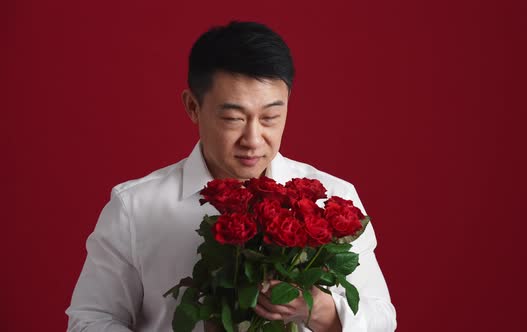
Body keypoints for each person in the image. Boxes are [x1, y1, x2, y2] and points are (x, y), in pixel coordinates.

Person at [66, 21, 397, 332]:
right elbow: (89, 319)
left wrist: (324, 312)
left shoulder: (334, 199)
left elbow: (384, 318)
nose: (253, 139)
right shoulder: (134, 208)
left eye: (270, 117)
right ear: (193, 107)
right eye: (233, 119)